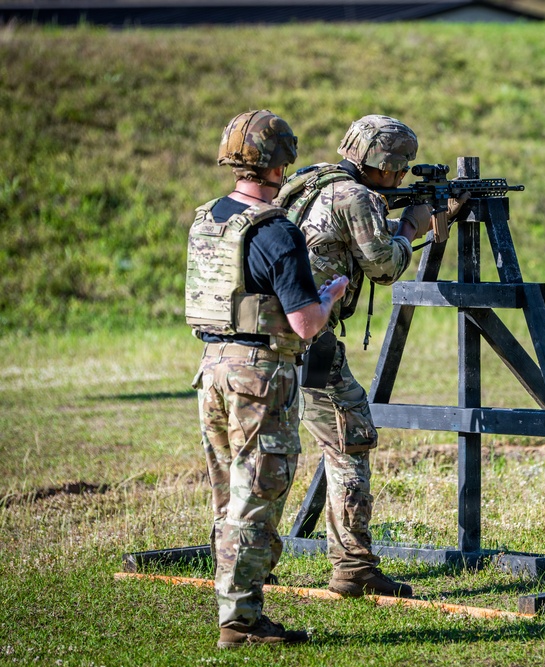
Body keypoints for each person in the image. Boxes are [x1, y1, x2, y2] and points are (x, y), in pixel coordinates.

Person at [274, 114, 468, 598]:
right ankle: (354, 566)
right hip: (307, 336)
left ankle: (243, 561)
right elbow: (383, 267)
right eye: (399, 168)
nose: (402, 176)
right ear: (380, 164)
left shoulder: (312, 178)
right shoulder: (355, 197)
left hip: (270, 329)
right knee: (350, 436)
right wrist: (411, 225)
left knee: (267, 449)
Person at [186, 109, 347, 648]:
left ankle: (235, 598)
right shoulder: (277, 231)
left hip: (212, 369)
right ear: (281, 164)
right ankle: (240, 621)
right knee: (258, 490)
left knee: (228, 493)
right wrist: (330, 297)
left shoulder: (209, 218)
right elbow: (304, 324)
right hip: (260, 374)